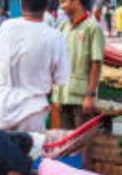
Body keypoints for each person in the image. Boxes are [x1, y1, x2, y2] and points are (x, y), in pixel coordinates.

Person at [0, 0, 69, 132]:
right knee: (29, 150)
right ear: (46, 7)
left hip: (1, 106)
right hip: (33, 111)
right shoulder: (55, 37)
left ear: (21, 4)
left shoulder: (6, 27)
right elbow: (61, 78)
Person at [52, 0, 103, 129]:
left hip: (81, 97)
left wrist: (90, 95)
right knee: (66, 140)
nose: (61, 5)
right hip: (63, 95)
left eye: (64, 1)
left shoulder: (93, 28)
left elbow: (96, 63)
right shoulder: (62, 27)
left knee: (81, 141)